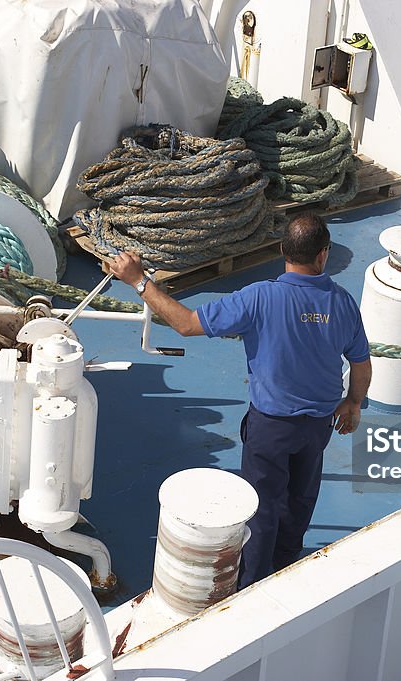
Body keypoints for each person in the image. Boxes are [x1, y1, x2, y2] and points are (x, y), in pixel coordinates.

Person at [107, 212, 372, 588]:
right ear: (323, 255)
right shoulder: (342, 302)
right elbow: (361, 363)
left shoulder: (258, 297)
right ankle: (285, 565)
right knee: (300, 501)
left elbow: (185, 324)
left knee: (261, 510)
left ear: (283, 250)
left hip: (271, 428)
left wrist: (138, 281)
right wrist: (354, 403)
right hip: (318, 427)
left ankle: (251, 586)